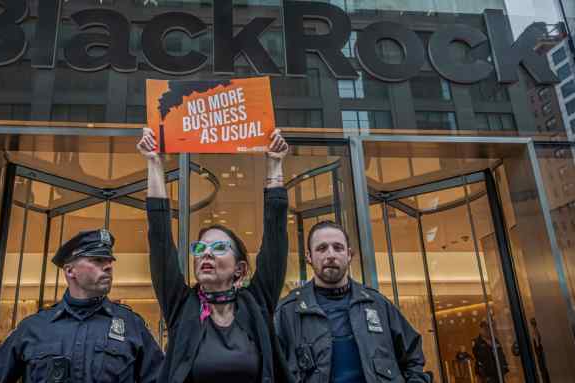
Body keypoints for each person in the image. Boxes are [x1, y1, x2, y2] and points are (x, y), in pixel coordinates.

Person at [137, 127, 291, 383]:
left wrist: (275, 166)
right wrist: (153, 163)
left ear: (239, 269)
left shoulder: (257, 304)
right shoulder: (181, 306)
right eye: (200, 248)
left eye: (219, 248)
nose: (206, 254)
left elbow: (275, 238)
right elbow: (160, 238)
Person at [0, 229, 163, 383]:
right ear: (70, 270)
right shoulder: (33, 328)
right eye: (97, 260)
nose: (108, 266)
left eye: (109, 261)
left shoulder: (132, 325)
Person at [275, 221, 430, 383]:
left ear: (349, 255)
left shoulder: (378, 304)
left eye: (338, 247)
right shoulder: (288, 312)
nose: (330, 255)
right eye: (321, 248)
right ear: (308, 257)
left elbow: (413, 358)